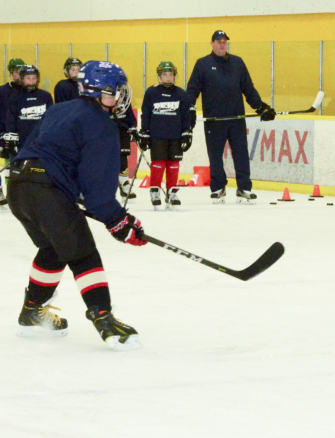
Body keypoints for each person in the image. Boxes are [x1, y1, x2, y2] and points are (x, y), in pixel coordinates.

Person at [7, 60, 146, 351]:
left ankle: (31, 312)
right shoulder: (103, 126)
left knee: (54, 249)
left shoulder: (58, 109)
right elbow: (98, 195)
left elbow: (39, 152)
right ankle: (104, 318)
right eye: (117, 91)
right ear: (100, 93)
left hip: (18, 188)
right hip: (48, 192)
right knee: (83, 252)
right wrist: (120, 222)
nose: (121, 97)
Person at [186, 30, 276, 205]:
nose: (222, 44)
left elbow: (248, 89)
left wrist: (261, 107)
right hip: (214, 120)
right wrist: (188, 108)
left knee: (241, 154)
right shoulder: (202, 64)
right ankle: (218, 188)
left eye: (224, 42)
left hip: (236, 119)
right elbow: (192, 90)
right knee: (215, 156)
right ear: (211, 43)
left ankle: (244, 188)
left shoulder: (237, 62)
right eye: (218, 41)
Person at [139, 61, 191, 210]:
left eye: (170, 75)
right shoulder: (151, 92)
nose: (168, 78)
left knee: (174, 164)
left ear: (175, 76)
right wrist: (144, 132)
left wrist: (186, 133)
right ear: (159, 76)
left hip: (175, 136)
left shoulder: (181, 94)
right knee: (159, 163)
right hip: (157, 136)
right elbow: (146, 114)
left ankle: (172, 192)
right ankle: (155, 190)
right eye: (164, 75)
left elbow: (186, 116)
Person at [4, 65, 54, 160]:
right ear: (22, 79)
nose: (31, 81)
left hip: (40, 140)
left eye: (34, 78)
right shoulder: (15, 97)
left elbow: (51, 119)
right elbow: (10, 119)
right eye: (28, 78)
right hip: (22, 140)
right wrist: (13, 138)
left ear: (38, 79)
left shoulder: (45, 96)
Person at [0, 58, 26, 208]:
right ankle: (5, 190)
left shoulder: (28, 91)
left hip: (21, 133)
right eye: (17, 72)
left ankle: (17, 192)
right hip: (4, 131)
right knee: (7, 159)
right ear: (11, 73)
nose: (19, 75)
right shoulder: (2, 91)